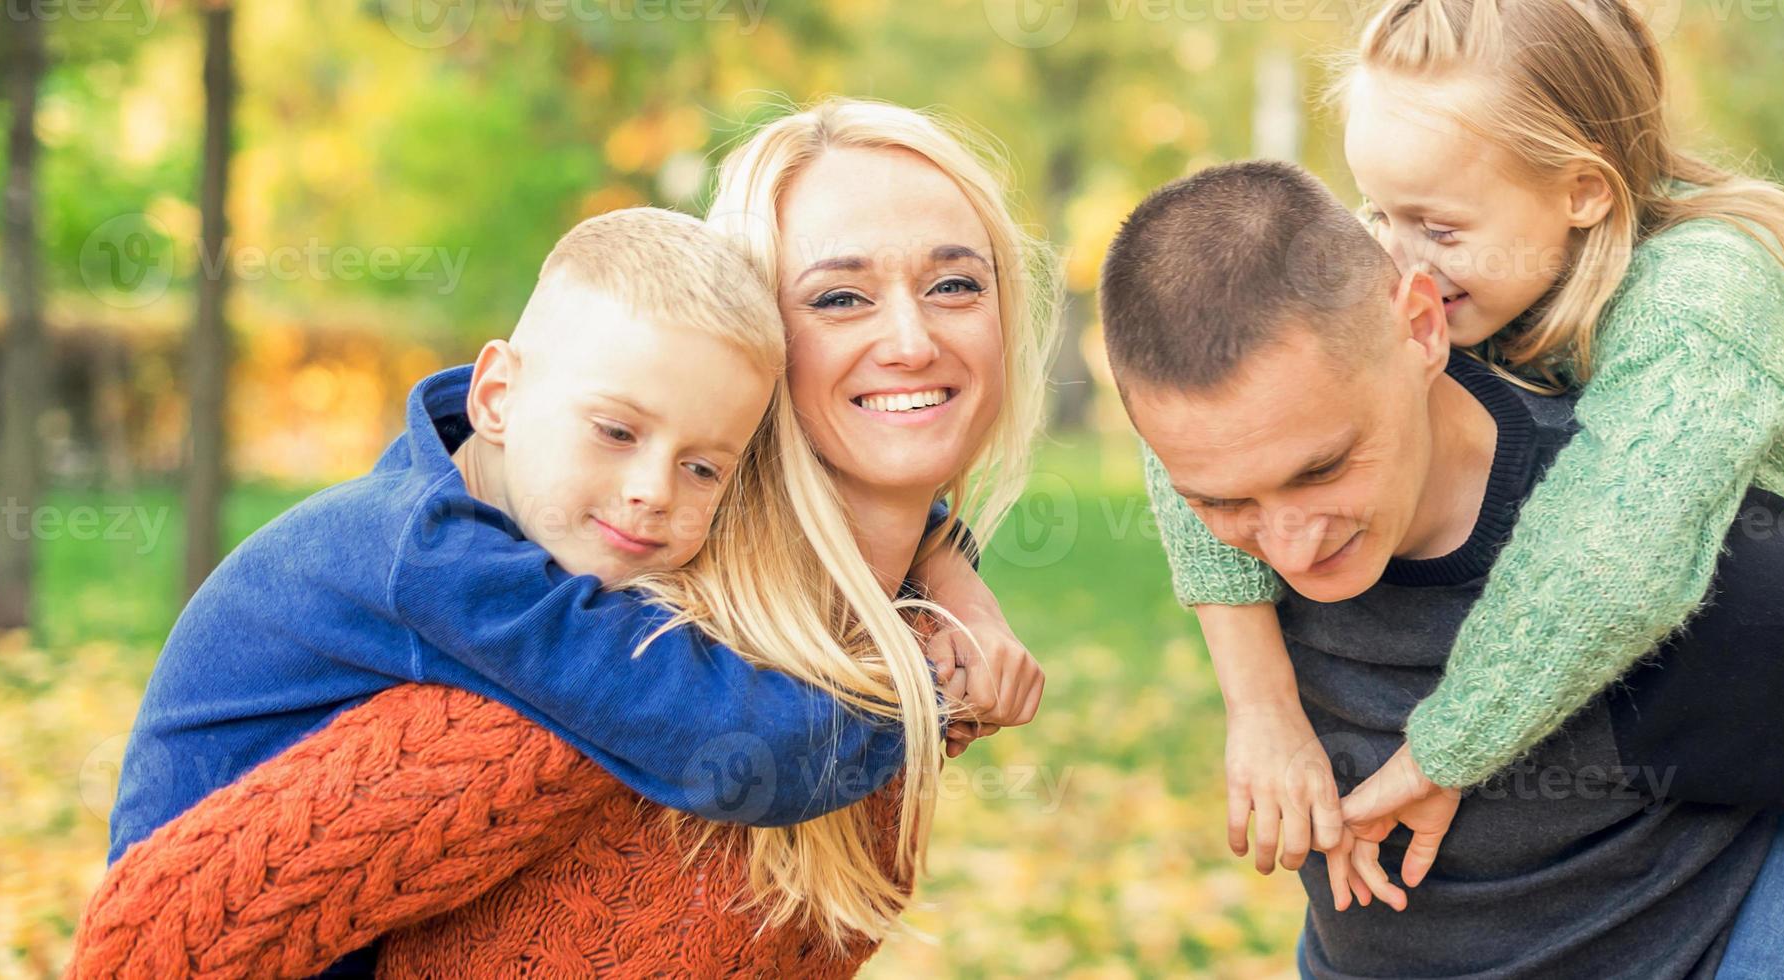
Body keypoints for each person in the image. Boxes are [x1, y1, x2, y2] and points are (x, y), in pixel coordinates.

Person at [72, 100, 1060, 976]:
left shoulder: (864, 625)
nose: (910, 340)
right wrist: (921, 701)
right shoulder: (585, 644)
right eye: (838, 295)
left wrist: (942, 577)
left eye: (957, 284)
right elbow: (152, 943)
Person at [1104, 160, 1784, 978]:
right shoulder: (1249, 459)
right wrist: (1257, 699)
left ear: (1417, 328)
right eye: (1221, 500)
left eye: (1319, 468)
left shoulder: (1646, 562)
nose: (1286, 545)